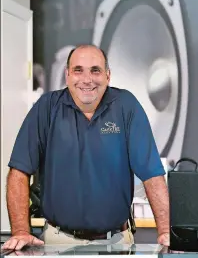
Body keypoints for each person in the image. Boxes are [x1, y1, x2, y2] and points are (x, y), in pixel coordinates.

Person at [2, 45, 170, 250]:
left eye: (95, 70)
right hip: (58, 242)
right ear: (67, 75)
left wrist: (164, 233)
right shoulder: (46, 107)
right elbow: (19, 171)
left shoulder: (126, 105)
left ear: (108, 76)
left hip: (117, 243)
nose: (87, 79)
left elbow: (152, 174)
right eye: (78, 70)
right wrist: (20, 231)